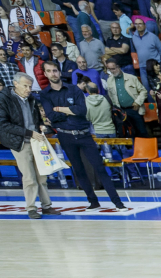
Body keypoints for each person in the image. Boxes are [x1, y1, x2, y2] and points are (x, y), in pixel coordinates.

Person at [39, 61, 126, 210]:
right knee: (79, 170)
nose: (53, 73)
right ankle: (93, 201)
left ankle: (117, 202)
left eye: (55, 70)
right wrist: (68, 111)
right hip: (65, 136)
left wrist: (60, 109)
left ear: (59, 72)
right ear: (45, 74)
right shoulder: (45, 94)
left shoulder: (74, 89)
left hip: (84, 134)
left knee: (99, 167)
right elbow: (52, 116)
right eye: (49, 71)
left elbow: (81, 110)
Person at [0, 73, 58, 219]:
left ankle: (46, 206)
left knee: (42, 176)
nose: (28, 89)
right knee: (29, 177)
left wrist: (40, 126)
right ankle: (31, 208)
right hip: (19, 142)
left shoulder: (31, 98)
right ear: (15, 84)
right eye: (25, 86)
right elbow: (4, 124)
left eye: (30, 86)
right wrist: (29, 133)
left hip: (36, 140)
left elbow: (37, 118)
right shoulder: (3, 98)